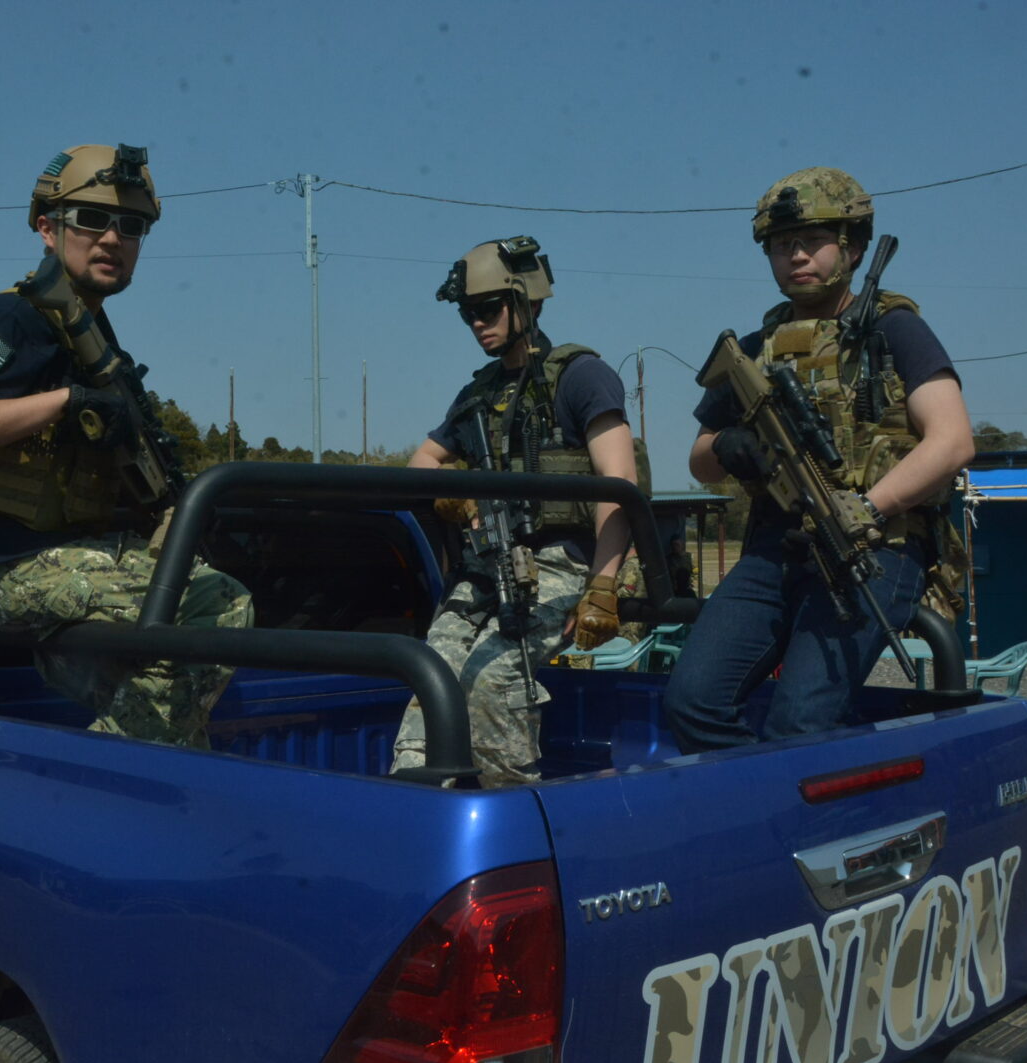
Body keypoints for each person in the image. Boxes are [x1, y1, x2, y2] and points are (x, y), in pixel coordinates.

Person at [0, 143, 251, 746]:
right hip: (14, 567)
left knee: (177, 719)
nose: (112, 239)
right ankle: (108, 765)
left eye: (131, 226)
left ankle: (131, 774)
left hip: (68, 558)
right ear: (48, 229)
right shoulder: (13, 318)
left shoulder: (90, 335)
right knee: (220, 604)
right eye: (92, 220)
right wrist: (67, 402)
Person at [664, 167, 974, 753]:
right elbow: (700, 461)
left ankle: (790, 804)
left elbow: (953, 441)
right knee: (692, 700)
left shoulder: (893, 331)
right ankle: (761, 797)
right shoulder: (754, 350)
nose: (796, 256)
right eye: (782, 245)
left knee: (800, 724)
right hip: (776, 547)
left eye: (813, 240)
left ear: (853, 248)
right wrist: (731, 446)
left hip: (874, 546)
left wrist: (867, 509)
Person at [389, 236, 646, 786]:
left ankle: (511, 805)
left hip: (564, 565)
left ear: (525, 300)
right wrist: (456, 492)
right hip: (488, 567)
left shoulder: (580, 376)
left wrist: (603, 586)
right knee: (430, 675)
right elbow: (423, 461)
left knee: (497, 678)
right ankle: (417, 797)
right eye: (467, 314)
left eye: (487, 309)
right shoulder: (479, 393)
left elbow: (619, 484)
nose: (477, 324)